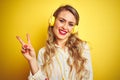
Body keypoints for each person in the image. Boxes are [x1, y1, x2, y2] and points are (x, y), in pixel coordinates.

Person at [16, 5, 93, 80]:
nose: (65, 27)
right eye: (62, 21)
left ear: (74, 29)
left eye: (70, 24)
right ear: (52, 21)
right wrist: (32, 61)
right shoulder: (43, 53)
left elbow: (89, 77)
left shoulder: (83, 48)